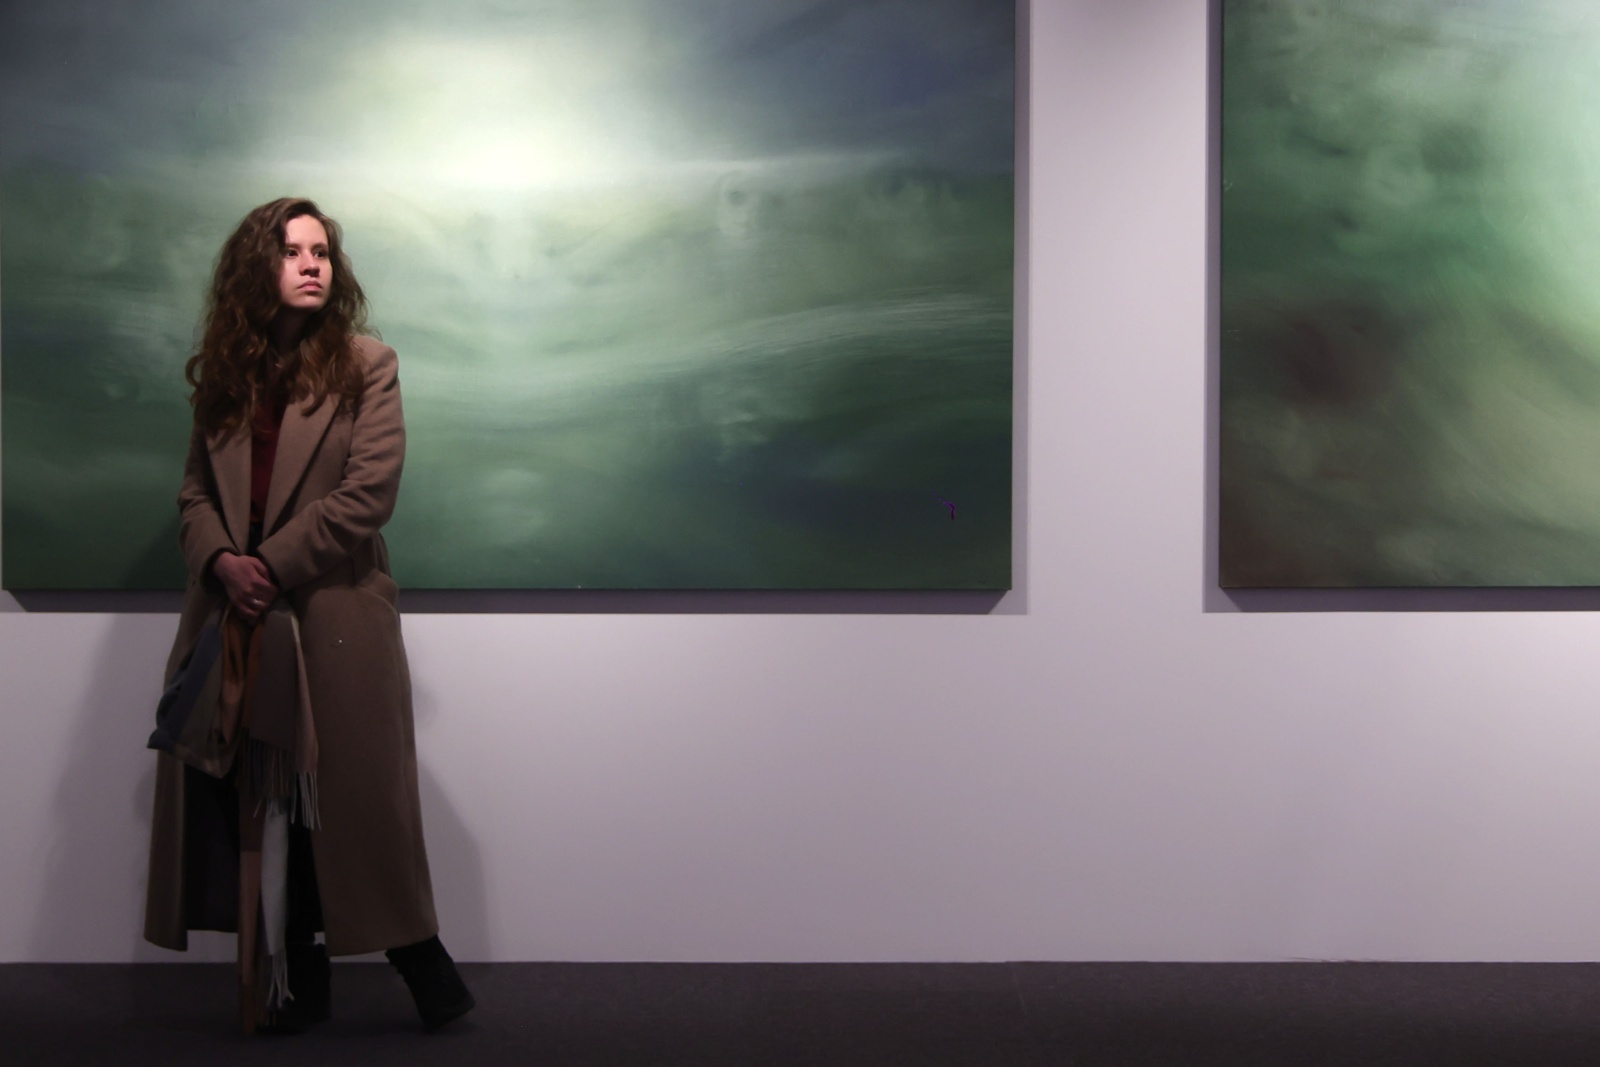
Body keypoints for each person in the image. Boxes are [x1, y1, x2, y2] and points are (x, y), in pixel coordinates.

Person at [143, 197, 473, 1033]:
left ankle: (422, 966)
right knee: (254, 798)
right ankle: (299, 982)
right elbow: (193, 495)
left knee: (354, 806)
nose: (312, 264)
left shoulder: (367, 364)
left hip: (333, 618)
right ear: (257, 268)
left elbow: (368, 496)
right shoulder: (226, 376)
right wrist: (223, 562)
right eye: (291, 251)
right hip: (236, 616)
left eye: (321, 251)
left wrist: (267, 564)